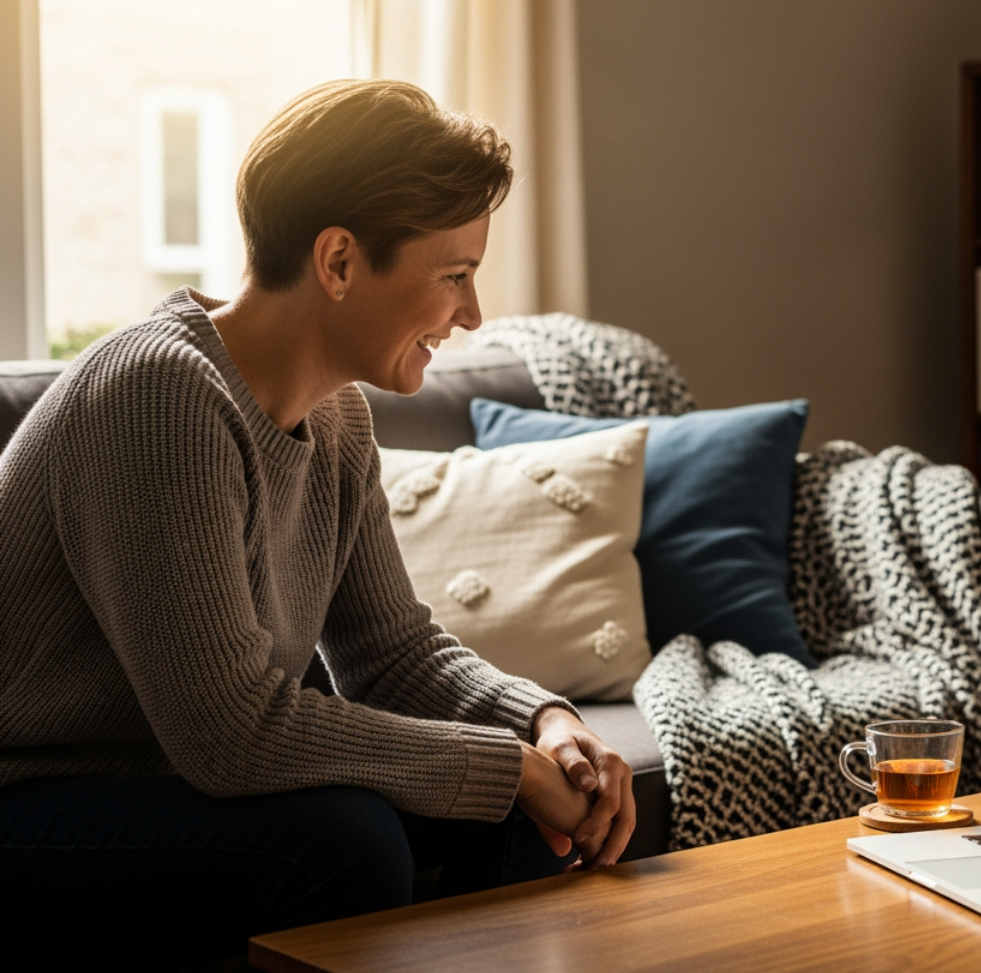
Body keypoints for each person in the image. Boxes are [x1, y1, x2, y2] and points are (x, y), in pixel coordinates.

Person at [0, 80, 634, 964]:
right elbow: (235, 735)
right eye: (453, 274)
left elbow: (392, 652)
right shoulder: (158, 396)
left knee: (519, 821)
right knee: (345, 841)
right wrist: (503, 768)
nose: (472, 314)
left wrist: (544, 727)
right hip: (29, 797)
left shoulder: (337, 416)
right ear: (338, 262)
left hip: (155, 784)